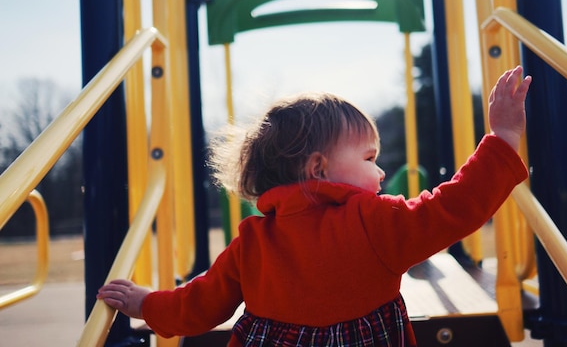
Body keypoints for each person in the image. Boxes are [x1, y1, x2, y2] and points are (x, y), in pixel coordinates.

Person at [98, 66, 532, 346]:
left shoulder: (254, 239)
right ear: (319, 168)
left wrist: (146, 304)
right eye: (369, 158)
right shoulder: (375, 221)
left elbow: (202, 303)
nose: (381, 173)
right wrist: (502, 140)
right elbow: (453, 208)